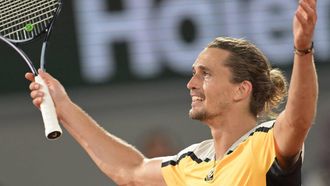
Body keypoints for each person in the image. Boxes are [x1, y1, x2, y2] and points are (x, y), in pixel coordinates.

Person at [25, 0, 318, 185]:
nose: (191, 84)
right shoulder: (191, 163)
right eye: (193, 73)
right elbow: (130, 170)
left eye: (206, 74)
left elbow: (297, 120)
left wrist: (302, 50)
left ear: (240, 90)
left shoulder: (264, 144)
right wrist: (63, 106)